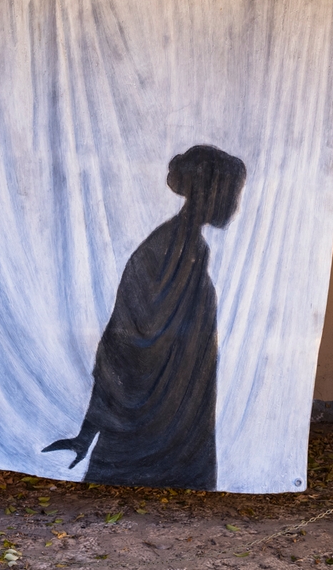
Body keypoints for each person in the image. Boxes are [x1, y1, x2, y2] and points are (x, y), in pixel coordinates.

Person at [42, 144, 246, 490]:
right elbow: (122, 341)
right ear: (209, 191)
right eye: (230, 192)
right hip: (143, 432)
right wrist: (87, 433)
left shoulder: (192, 249)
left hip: (178, 433)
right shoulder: (164, 249)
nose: (234, 204)